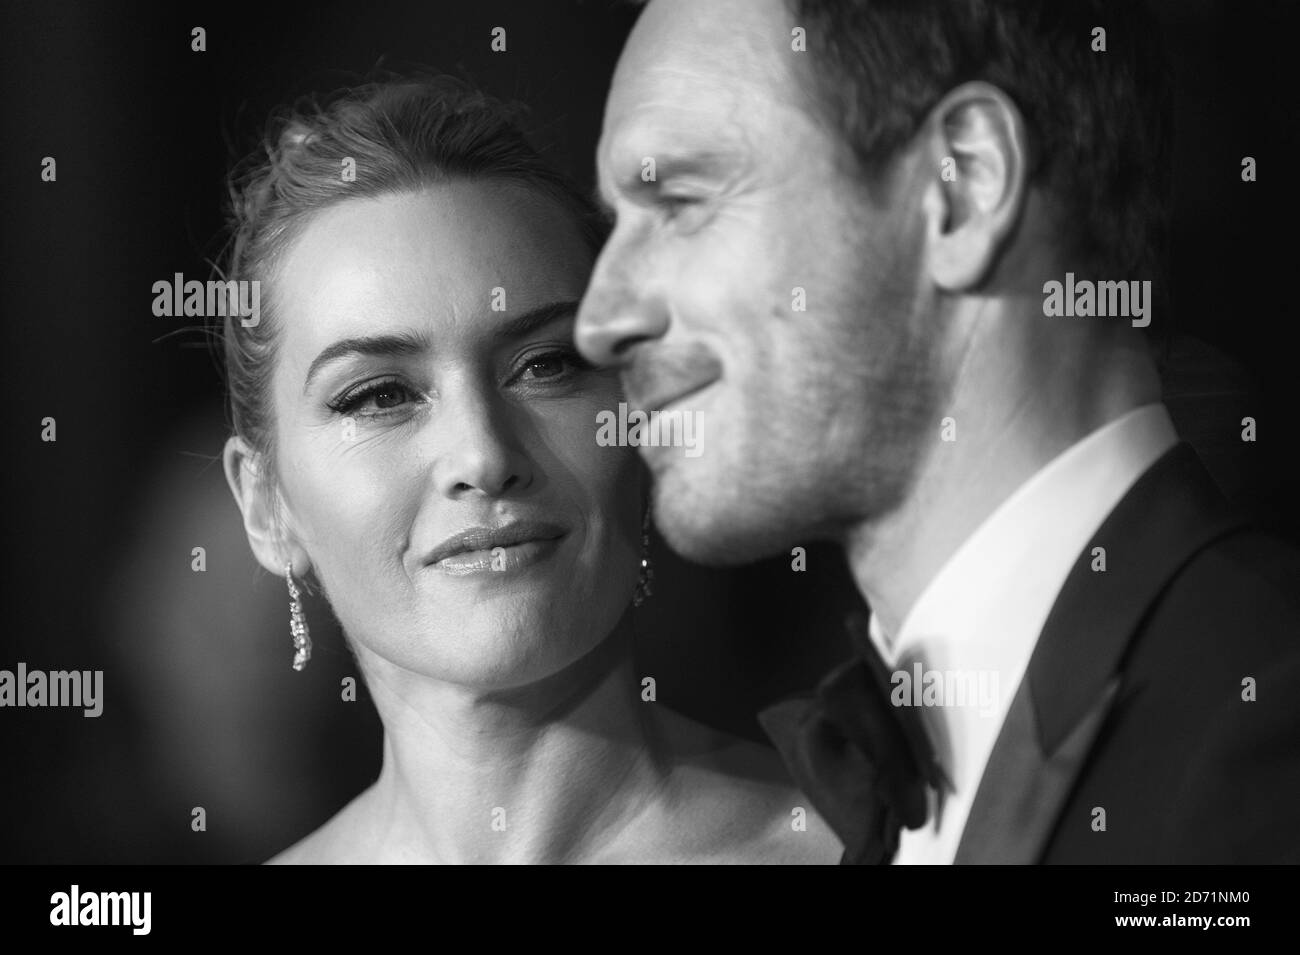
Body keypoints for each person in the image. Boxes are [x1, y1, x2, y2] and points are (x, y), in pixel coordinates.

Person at [576, 0, 1300, 863]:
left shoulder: (1269, 721)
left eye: (681, 201)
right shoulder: (891, 775)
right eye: (615, 224)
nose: (599, 320)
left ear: (962, 186)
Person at [219, 75, 839, 864]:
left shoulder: (881, 848)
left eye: (545, 364)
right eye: (379, 395)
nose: (483, 454)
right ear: (266, 504)